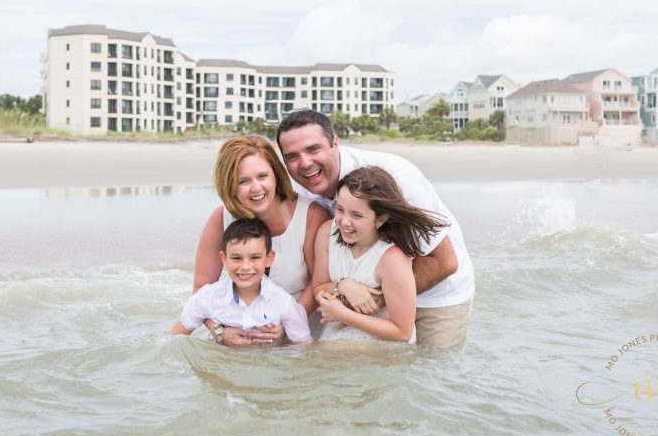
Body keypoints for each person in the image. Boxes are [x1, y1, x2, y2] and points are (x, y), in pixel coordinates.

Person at [277, 110, 475, 351]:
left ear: (335, 143)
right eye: (292, 156)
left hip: (435, 295)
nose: (305, 163)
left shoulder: (396, 180)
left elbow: (444, 261)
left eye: (313, 149)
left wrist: (373, 300)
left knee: (433, 377)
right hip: (359, 300)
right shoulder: (304, 190)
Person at [193, 135, 329, 346]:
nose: (256, 188)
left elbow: (318, 283)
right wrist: (220, 331)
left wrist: (286, 326)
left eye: (262, 176)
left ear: (276, 175)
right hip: (239, 337)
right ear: (230, 185)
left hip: (299, 338)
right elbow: (201, 290)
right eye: (243, 181)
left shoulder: (311, 215)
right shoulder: (220, 219)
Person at [313, 166, 449, 343]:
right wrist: (343, 286)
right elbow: (317, 289)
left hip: (381, 350)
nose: (344, 221)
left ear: (381, 219)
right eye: (340, 209)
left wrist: (344, 314)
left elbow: (402, 332)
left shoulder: (392, 259)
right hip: (337, 340)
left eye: (356, 215)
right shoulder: (327, 233)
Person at [172, 219, 312, 345]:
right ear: (224, 258)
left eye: (255, 258)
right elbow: (174, 340)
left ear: (269, 258)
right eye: (236, 258)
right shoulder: (207, 297)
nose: (245, 267)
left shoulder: (284, 304)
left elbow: (303, 349)